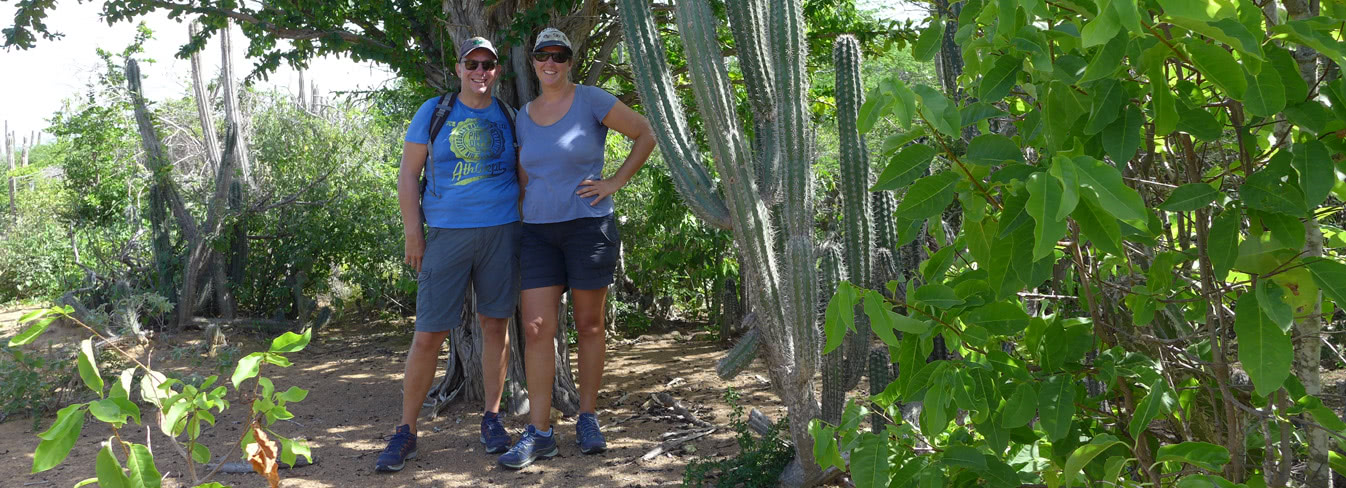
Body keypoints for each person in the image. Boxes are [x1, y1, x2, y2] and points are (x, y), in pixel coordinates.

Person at [497, 27, 655, 470]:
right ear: (533, 61)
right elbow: (526, 174)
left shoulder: (592, 100)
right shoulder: (524, 115)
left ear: (570, 61)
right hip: (538, 233)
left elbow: (644, 134)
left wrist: (614, 183)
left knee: (589, 326)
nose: (551, 63)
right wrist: (524, 211)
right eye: (542, 55)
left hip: (588, 227)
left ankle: (587, 418)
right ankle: (540, 433)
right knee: (536, 329)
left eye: (559, 55)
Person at [376, 36, 521, 473]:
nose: (480, 72)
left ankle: (492, 419)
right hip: (445, 235)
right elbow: (407, 176)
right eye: (472, 64)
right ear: (459, 68)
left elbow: (524, 173)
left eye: (488, 65)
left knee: (495, 324)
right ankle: (406, 431)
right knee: (429, 334)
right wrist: (412, 234)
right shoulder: (434, 112)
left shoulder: (509, 115)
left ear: (497, 71)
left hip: (502, 232)